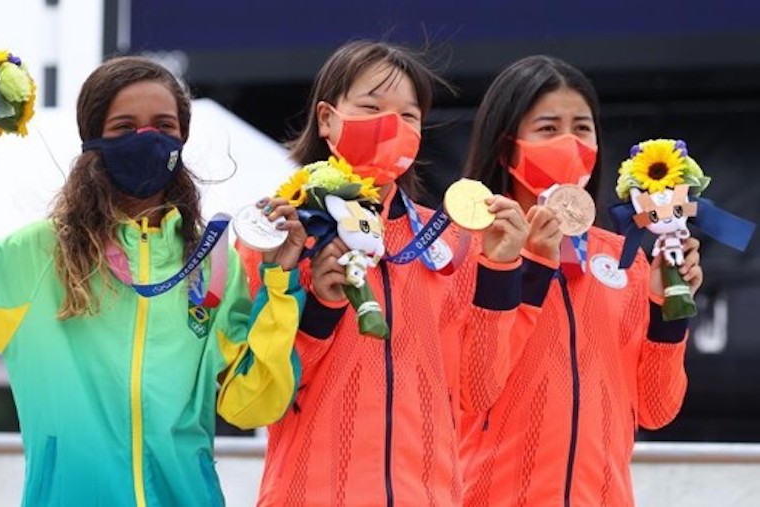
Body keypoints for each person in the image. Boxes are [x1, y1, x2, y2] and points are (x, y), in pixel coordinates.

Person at [0, 56, 307, 507]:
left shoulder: (211, 261)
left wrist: (280, 283)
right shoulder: (39, 255)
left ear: (182, 139)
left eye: (164, 126)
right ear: (93, 140)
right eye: (124, 127)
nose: (147, 138)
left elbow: (252, 404)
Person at [238, 41, 536, 506]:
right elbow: (261, 394)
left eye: (409, 117)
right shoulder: (281, 232)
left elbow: (479, 391)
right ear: (326, 118)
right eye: (371, 107)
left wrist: (500, 270)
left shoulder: (452, 241)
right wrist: (318, 305)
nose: (391, 127)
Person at [460, 55, 704, 506]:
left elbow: (656, 408)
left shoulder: (625, 259)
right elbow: (473, 390)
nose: (570, 143)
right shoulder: (467, 251)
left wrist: (666, 307)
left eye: (582, 128)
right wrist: (526, 264)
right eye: (549, 128)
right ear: (504, 147)